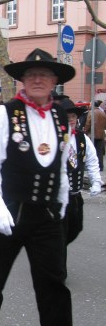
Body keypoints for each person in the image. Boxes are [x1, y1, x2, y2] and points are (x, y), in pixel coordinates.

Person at [0, 48, 92, 326]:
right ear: (22, 80)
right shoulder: (4, 114)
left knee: (54, 288)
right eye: (31, 74)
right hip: (10, 210)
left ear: (54, 81)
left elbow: (61, 163)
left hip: (47, 217)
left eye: (45, 74)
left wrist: (65, 201)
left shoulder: (59, 115)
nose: (38, 79)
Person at [59, 98, 102, 252]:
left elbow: (92, 160)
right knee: (60, 233)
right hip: (59, 197)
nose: (70, 120)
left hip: (76, 195)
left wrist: (96, 181)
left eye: (73, 117)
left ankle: (56, 249)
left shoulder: (82, 138)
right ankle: (58, 270)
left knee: (76, 228)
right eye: (67, 116)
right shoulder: (53, 137)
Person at [84, 100, 106, 171]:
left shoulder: (91, 112)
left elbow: (88, 123)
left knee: (91, 151)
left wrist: (85, 131)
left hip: (92, 134)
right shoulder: (103, 113)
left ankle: (92, 166)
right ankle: (100, 166)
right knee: (99, 151)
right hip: (101, 134)